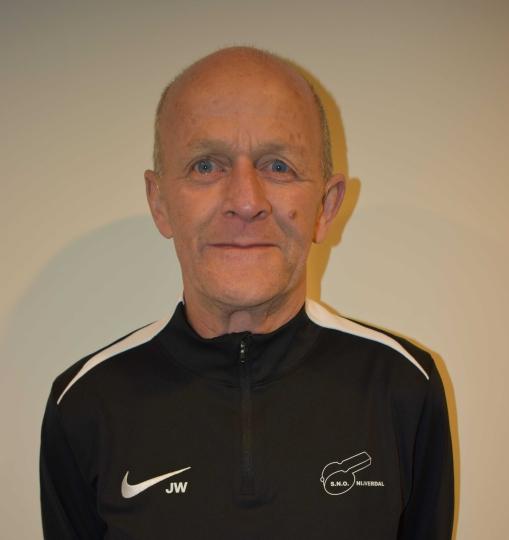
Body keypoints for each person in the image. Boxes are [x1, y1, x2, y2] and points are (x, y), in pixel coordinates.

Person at [40, 47, 454, 539]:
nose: (245, 201)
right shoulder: (85, 404)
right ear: (160, 202)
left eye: (278, 166)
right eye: (205, 166)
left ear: (326, 206)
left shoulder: (402, 387)